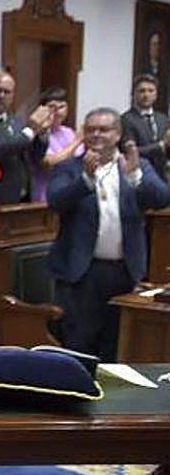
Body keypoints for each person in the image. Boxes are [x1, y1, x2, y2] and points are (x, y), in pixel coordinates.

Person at [46, 109, 170, 361]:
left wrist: (135, 177)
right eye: (91, 129)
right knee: (80, 346)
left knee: (117, 346)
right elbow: (55, 201)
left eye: (104, 130)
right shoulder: (68, 167)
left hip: (125, 271)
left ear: (118, 134)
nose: (96, 135)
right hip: (82, 273)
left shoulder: (136, 164)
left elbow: (161, 199)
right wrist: (85, 180)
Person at [0, 71, 52, 204]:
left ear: (13, 96)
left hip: (23, 197)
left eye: (7, 92)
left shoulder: (15, 120)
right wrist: (31, 129)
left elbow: (35, 156)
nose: (1, 96)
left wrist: (42, 134)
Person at [120, 74, 170, 183]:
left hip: (163, 174)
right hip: (139, 176)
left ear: (156, 95)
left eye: (150, 91)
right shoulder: (125, 120)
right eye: (142, 91)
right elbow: (130, 152)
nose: (146, 95)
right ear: (133, 95)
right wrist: (161, 145)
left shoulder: (163, 119)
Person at [37, 86, 82, 203]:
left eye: (61, 107)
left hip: (72, 192)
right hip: (46, 195)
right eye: (52, 107)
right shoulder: (39, 134)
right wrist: (77, 141)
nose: (57, 111)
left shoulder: (69, 132)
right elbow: (51, 163)